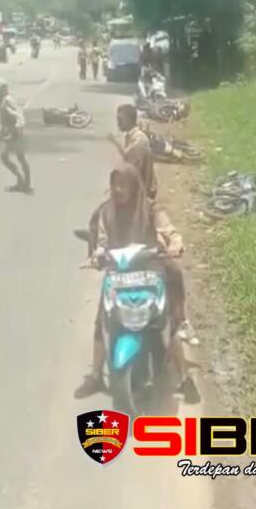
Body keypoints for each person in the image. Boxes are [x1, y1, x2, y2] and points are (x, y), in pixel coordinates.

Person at [74, 163, 199, 400]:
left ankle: (185, 379)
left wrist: (175, 243)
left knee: (167, 321)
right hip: (119, 274)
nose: (118, 189)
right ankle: (96, 376)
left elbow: (170, 232)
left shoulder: (151, 210)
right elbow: (101, 242)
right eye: (115, 184)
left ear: (134, 186)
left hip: (149, 271)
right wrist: (97, 255)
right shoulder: (106, 212)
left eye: (124, 184)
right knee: (102, 320)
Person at [0, 79, 33, 194]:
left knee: (19, 158)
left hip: (15, 133)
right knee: (8, 157)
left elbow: (18, 114)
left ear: (1, 89)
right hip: (11, 133)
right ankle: (22, 181)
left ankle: (25, 183)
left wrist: (18, 126)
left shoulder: (7, 100)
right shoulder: (1, 100)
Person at [108, 104, 157, 201]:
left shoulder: (139, 139)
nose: (118, 123)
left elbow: (132, 163)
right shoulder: (131, 136)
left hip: (141, 189)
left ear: (129, 120)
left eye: (120, 120)